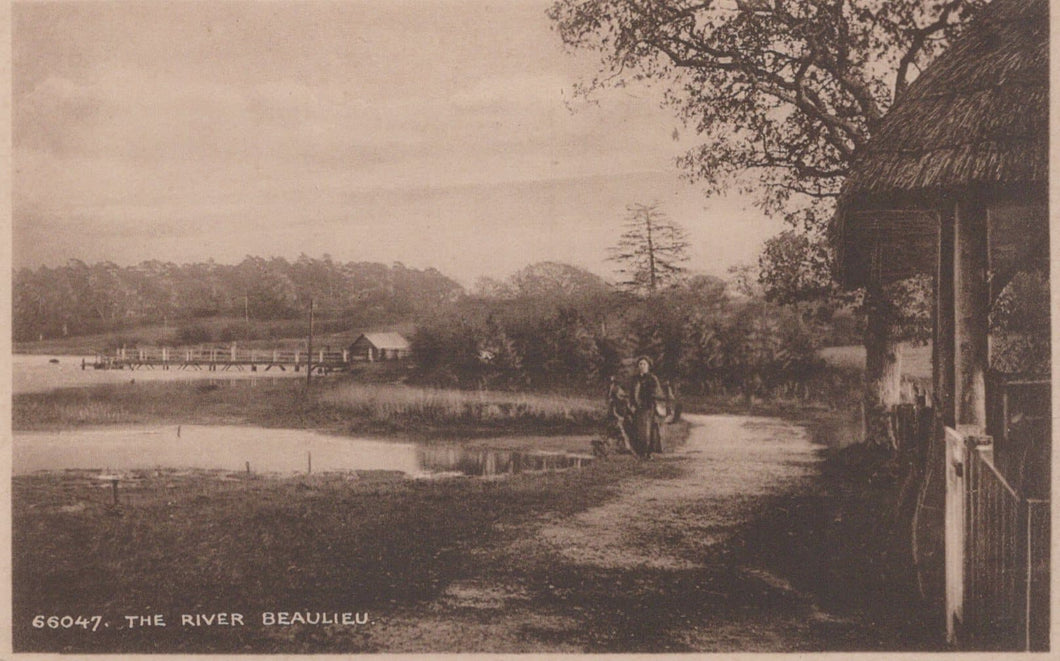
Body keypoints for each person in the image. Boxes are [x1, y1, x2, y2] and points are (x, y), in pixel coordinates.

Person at [630, 356, 664, 458]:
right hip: (638, 407)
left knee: (648, 430)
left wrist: (651, 398)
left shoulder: (652, 378)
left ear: (648, 366)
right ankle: (640, 451)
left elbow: (657, 392)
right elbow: (632, 392)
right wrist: (632, 404)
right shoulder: (635, 379)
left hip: (649, 407)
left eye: (644, 364)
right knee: (638, 429)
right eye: (640, 364)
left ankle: (648, 451)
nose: (642, 366)